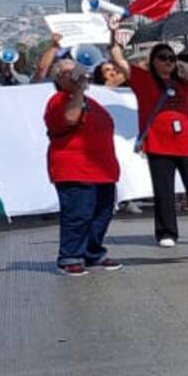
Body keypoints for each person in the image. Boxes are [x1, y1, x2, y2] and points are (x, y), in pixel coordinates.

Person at [111, 41, 188, 247]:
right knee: (164, 190)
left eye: (172, 58)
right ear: (153, 61)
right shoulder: (144, 80)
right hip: (158, 144)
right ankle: (166, 232)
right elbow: (118, 60)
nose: (168, 62)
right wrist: (113, 37)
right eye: (163, 58)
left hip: (186, 144)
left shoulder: (182, 84)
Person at [44, 57, 122, 275]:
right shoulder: (58, 100)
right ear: (59, 79)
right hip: (75, 168)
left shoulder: (92, 102)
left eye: (78, 70)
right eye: (70, 72)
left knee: (101, 215)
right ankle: (70, 256)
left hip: (102, 169)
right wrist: (78, 90)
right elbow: (70, 118)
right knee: (78, 214)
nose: (77, 75)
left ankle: (92, 252)